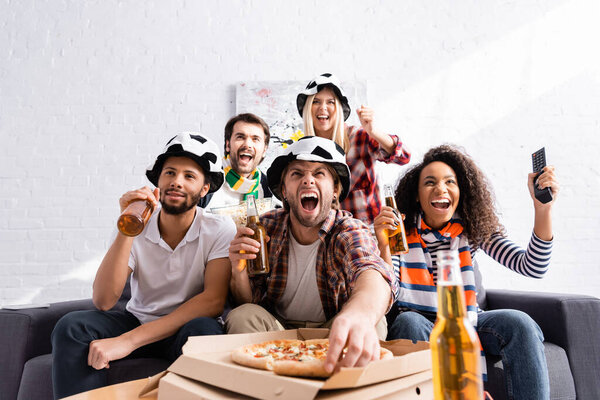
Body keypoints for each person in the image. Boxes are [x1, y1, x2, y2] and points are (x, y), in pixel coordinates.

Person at [51, 133, 237, 399]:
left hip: (184, 329)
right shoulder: (135, 223)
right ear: (157, 182)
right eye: (170, 173)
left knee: (205, 332)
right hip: (138, 319)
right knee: (71, 326)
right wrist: (125, 229)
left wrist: (127, 342)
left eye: (189, 176)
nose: (176, 182)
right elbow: (104, 300)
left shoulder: (218, 229)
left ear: (204, 188)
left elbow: (213, 301)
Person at [373, 144, 559, 400]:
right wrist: (383, 246)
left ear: (461, 192)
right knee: (409, 322)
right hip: (419, 320)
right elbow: (389, 293)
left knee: (520, 322)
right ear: (417, 196)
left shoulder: (471, 229)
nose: (441, 189)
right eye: (430, 183)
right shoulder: (399, 232)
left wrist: (542, 208)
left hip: (466, 319)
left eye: (451, 182)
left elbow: (533, 266)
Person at [226, 136, 397, 374]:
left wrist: (359, 315)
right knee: (242, 315)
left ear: (335, 190)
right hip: (277, 330)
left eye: (319, 174)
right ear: (284, 191)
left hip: (332, 329)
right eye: (297, 174)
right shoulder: (265, 228)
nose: (308, 179)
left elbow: (372, 271)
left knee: (373, 322)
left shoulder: (348, 229)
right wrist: (238, 269)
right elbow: (247, 300)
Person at [296, 73, 411, 225]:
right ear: (308, 109)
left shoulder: (359, 137)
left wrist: (373, 131)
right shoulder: (303, 151)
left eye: (330, 102)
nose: (323, 108)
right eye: (316, 102)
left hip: (371, 237)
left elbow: (403, 157)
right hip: (328, 237)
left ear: (339, 108)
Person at [202, 113, 272, 209]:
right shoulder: (207, 181)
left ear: (264, 150)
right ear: (228, 145)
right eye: (240, 137)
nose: (247, 144)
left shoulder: (268, 188)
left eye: (255, 139)